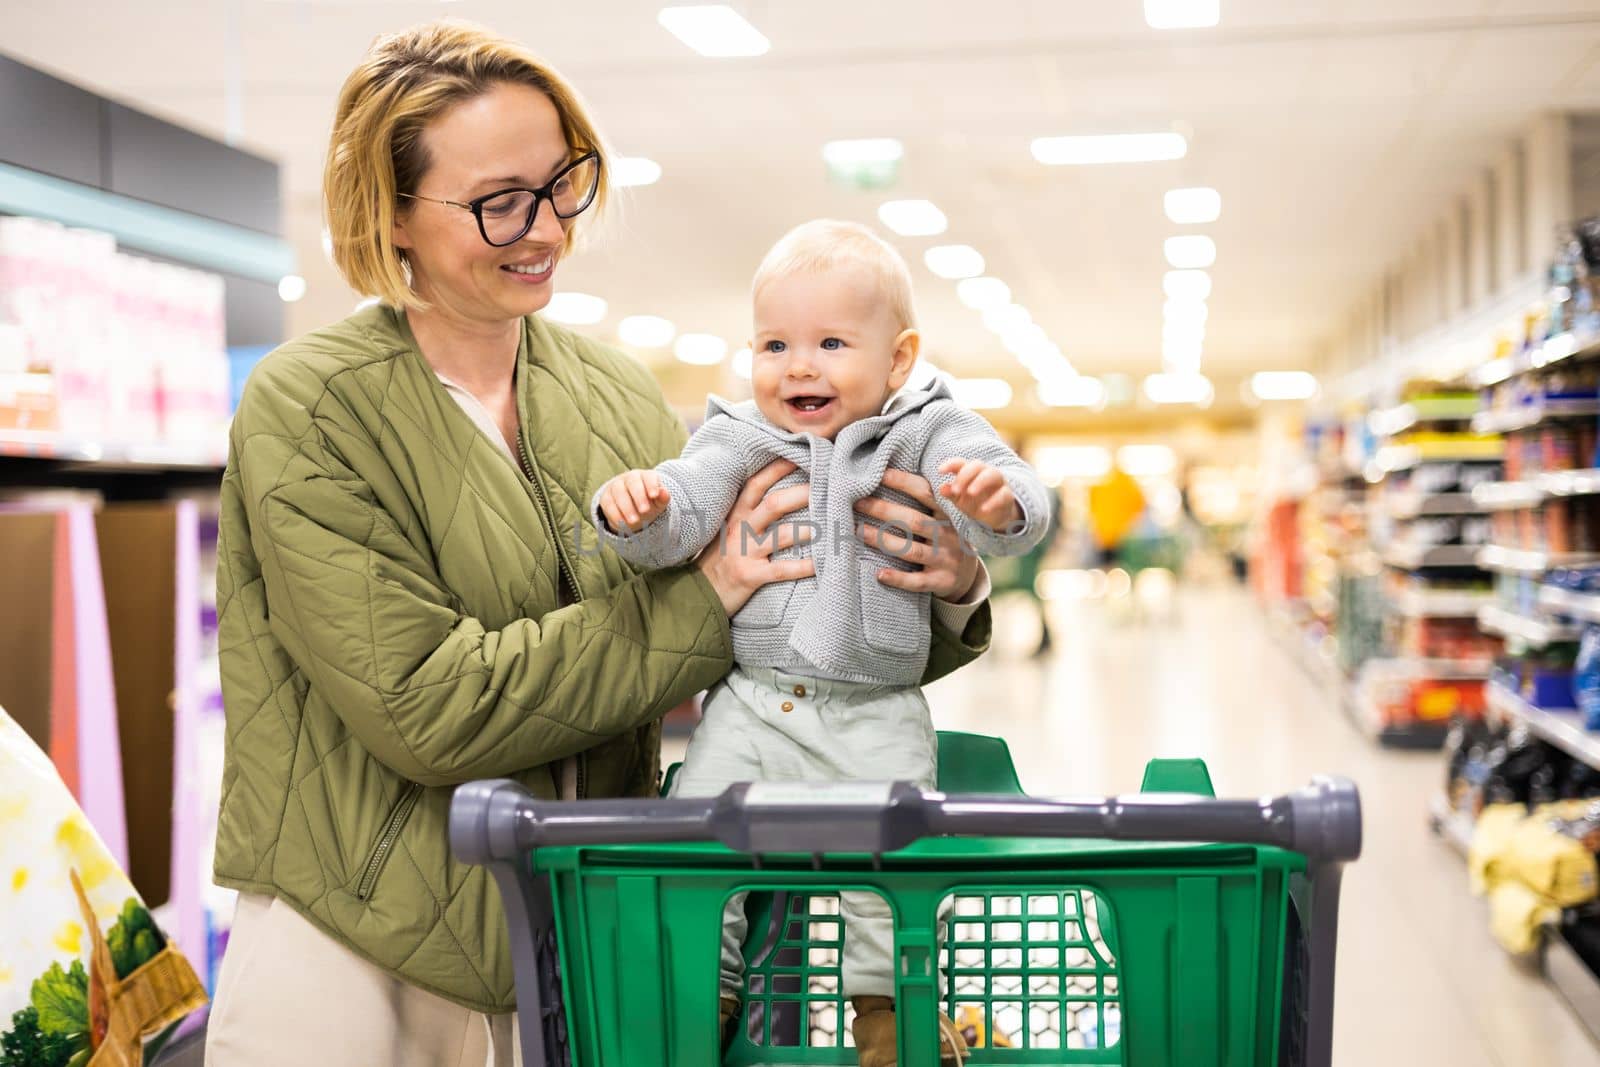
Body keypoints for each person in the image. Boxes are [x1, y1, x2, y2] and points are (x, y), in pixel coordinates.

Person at [205, 23, 992, 1067]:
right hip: (355, 942)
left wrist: (948, 583)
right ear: (392, 212)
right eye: (500, 201)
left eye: (562, 181)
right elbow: (422, 704)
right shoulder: (311, 405)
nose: (545, 227)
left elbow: (791, 627)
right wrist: (704, 597)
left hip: (578, 930)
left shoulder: (616, 394)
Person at [593, 220, 1049, 1067]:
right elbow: (685, 506)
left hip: (875, 711)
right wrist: (642, 509)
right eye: (774, 343)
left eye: (831, 342)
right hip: (754, 704)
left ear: (899, 359)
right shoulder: (739, 436)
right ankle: (706, 989)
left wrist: (999, 502)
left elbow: (1014, 495)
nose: (797, 365)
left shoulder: (927, 431)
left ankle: (888, 1011)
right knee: (698, 835)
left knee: (894, 863)